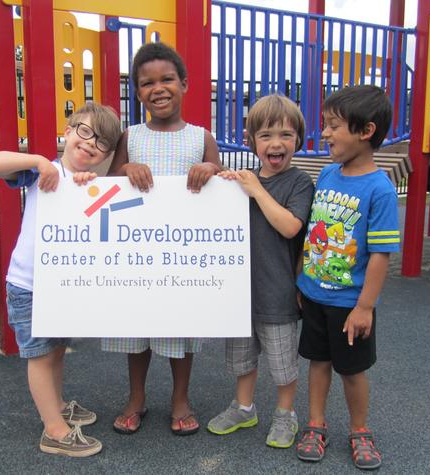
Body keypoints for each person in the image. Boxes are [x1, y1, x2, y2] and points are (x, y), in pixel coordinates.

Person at [0, 103, 121, 457]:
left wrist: (86, 187)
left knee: (57, 349)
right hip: (30, 285)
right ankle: (54, 431)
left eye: (102, 142)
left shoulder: (90, 183)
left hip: (62, 284)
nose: (90, 144)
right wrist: (37, 161)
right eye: (85, 131)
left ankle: (58, 406)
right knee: (41, 355)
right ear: (69, 130)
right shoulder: (43, 173)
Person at [102, 41, 222, 436]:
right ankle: (136, 397)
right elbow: (110, 182)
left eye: (167, 79)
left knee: (179, 328)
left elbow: (219, 180)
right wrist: (128, 168)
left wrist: (208, 168)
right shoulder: (130, 136)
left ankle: (180, 399)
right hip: (136, 252)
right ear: (137, 92)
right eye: (147, 82)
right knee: (135, 329)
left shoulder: (201, 137)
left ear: (184, 83)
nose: (158, 88)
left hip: (182, 255)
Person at [295, 85, 399, 470]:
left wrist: (365, 307)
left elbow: (380, 256)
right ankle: (315, 424)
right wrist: (301, 280)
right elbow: (312, 232)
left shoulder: (380, 190)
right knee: (317, 362)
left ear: (365, 131)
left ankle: (359, 430)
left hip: (349, 304)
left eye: (333, 126)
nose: (324, 133)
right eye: (325, 125)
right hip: (315, 294)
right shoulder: (326, 175)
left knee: (352, 371)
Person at [207, 94, 314, 449]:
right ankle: (244, 407)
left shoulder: (299, 183)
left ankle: (286, 414)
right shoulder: (241, 181)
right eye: (266, 135)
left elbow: (290, 227)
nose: (276, 143)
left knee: (283, 365)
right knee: (241, 358)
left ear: (298, 139)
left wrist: (255, 189)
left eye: (286, 134)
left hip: (277, 291)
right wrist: (226, 184)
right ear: (250, 140)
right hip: (238, 293)